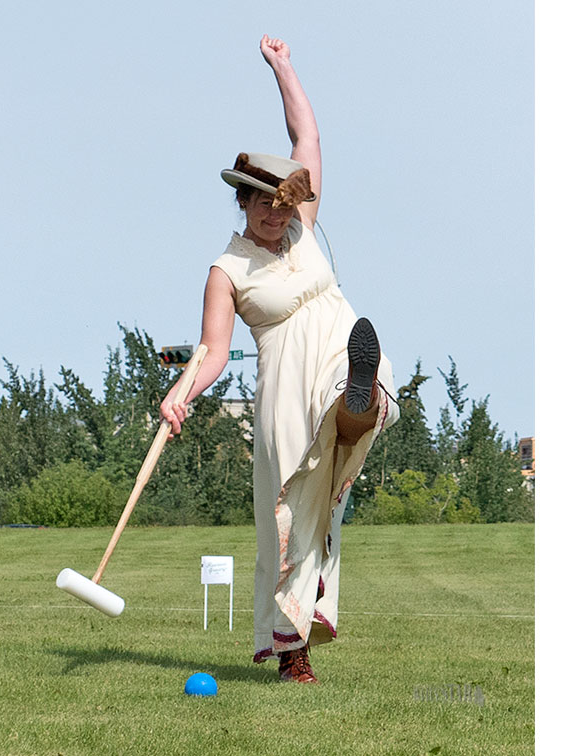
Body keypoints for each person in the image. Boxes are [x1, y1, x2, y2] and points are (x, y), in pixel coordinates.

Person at [160, 34, 399, 683]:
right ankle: (292, 652)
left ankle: (357, 397)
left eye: (283, 201)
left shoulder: (303, 228)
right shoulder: (226, 269)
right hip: (284, 386)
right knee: (293, 518)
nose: (274, 212)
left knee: (357, 388)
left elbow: (307, 137)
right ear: (241, 200)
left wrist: (283, 67)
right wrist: (182, 396)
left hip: (338, 343)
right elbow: (212, 352)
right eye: (262, 201)